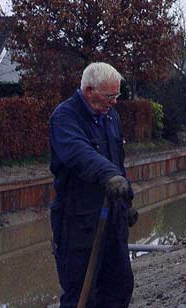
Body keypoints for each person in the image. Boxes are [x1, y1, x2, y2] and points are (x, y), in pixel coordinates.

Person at [49, 62, 138, 308]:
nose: (115, 101)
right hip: (79, 222)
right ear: (90, 91)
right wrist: (109, 176)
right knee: (82, 293)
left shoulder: (111, 116)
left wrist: (127, 200)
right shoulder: (65, 117)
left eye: (117, 95)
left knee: (119, 286)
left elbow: (118, 163)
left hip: (112, 219)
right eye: (110, 96)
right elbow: (80, 153)